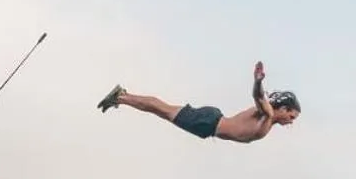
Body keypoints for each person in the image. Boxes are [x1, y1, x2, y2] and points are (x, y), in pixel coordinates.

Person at [97, 63, 300, 143]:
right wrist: (258, 82)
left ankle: (123, 97)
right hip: (209, 123)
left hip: (210, 123)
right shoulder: (268, 114)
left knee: (161, 110)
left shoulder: (268, 120)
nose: (291, 121)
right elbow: (259, 97)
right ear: (283, 108)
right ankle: (121, 97)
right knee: (161, 109)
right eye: (291, 116)